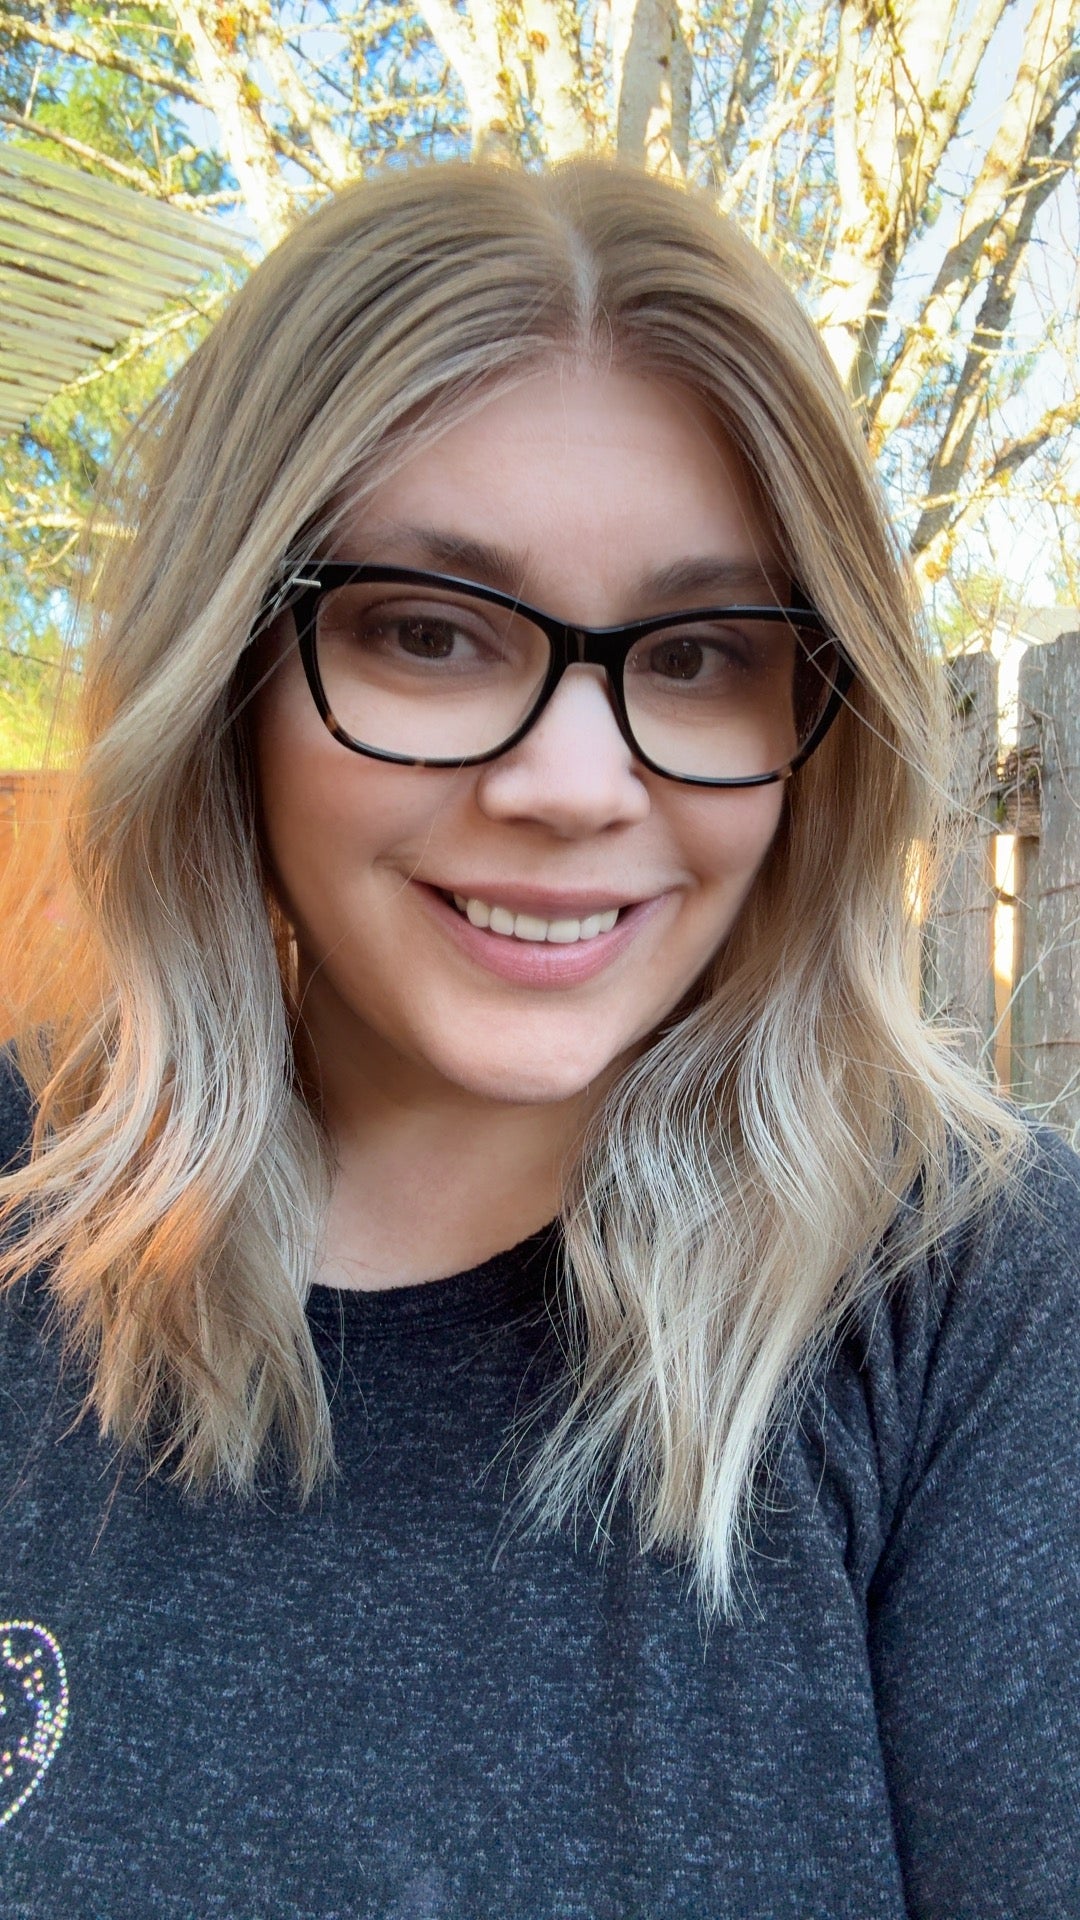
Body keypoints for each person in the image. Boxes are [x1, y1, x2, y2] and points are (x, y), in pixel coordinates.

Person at [0, 156, 1076, 1919]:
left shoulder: (975, 1304)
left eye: (702, 654)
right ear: (230, 674)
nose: (575, 786)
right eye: (429, 633)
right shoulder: (24, 1219)